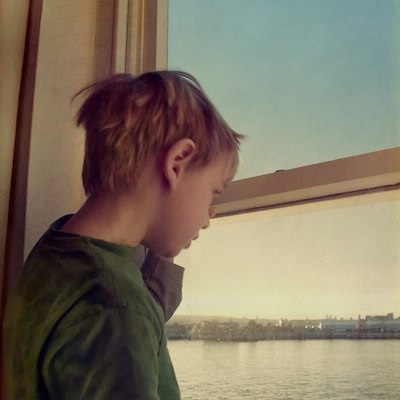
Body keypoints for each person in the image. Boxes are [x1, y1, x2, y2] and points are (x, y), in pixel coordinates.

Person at [3, 71, 243, 399]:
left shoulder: (59, 251)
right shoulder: (116, 309)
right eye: (213, 193)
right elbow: (123, 314)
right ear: (177, 163)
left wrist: (167, 241)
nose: (208, 218)